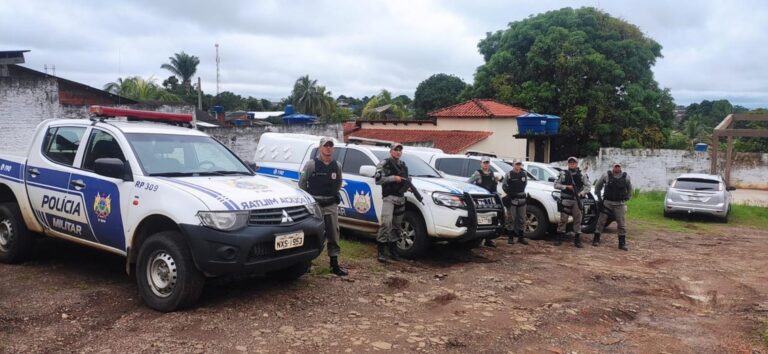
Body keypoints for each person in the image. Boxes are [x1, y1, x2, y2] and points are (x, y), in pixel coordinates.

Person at [299, 137, 348, 276]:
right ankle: (306, 262)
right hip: (316, 205)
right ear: (320, 148)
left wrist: (332, 195)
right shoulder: (311, 164)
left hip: (331, 204)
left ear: (333, 149)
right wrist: (310, 199)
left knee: (334, 234)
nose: (328, 148)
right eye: (325, 146)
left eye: (330, 146)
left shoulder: (337, 165)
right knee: (312, 234)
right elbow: (302, 183)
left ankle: (334, 263)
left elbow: (339, 183)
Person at [374, 143, 408, 262]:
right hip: (389, 197)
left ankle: (393, 251)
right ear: (391, 151)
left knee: (397, 226)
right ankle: (381, 251)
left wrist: (406, 185)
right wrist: (393, 178)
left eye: (400, 150)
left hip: (400, 198)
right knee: (386, 223)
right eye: (396, 149)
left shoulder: (403, 165)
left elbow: (406, 179)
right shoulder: (384, 164)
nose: (398, 152)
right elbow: (378, 180)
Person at [593, 163, 632, 251]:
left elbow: (630, 188)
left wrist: (628, 197)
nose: (617, 168)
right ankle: (596, 239)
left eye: (618, 166)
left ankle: (622, 243)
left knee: (621, 224)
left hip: (619, 203)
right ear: (613, 167)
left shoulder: (626, 177)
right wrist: (599, 198)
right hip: (607, 203)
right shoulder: (606, 175)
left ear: (621, 167)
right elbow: (598, 186)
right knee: (601, 221)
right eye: (615, 166)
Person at [554, 156, 591, 248]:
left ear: (576, 164)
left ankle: (577, 240)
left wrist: (581, 194)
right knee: (563, 220)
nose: (572, 164)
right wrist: (566, 187)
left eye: (573, 163)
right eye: (570, 163)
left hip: (576, 200)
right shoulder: (563, 173)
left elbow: (588, 187)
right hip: (566, 200)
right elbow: (556, 185)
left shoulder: (582, 174)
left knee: (578, 220)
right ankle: (559, 238)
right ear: (568, 164)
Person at [467, 156, 503, 247]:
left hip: (489, 199)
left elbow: (493, 186)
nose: (486, 165)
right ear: (481, 164)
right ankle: (478, 239)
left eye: (487, 163)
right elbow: (468, 183)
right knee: (480, 218)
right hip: (479, 200)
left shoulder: (491, 173)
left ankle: (489, 239)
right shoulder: (477, 173)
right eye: (484, 163)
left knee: (490, 218)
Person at [501, 159, 530, 245]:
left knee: (522, 219)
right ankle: (510, 238)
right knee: (511, 219)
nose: (518, 166)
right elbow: (504, 186)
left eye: (519, 164)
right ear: (513, 165)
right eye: (516, 164)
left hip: (522, 199)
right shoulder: (509, 174)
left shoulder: (524, 174)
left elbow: (525, 184)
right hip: (512, 199)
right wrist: (510, 193)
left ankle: (521, 237)